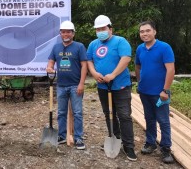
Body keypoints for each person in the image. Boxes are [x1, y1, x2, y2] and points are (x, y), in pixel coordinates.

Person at [86, 15, 137, 161]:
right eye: (98, 29)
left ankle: (129, 146)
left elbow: (125, 59)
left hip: (120, 86)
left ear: (110, 29)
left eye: (103, 28)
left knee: (124, 115)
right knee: (109, 113)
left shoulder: (120, 41)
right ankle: (115, 137)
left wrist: (113, 74)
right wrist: (94, 73)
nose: (100, 31)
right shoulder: (93, 44)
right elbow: (89, 60)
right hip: (103, 86)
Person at [135, 21, 175, 164]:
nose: (144, 34)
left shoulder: (164, 47)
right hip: (144, 91)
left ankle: (166, 148)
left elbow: (171, 70)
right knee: (149, 118)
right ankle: (150, 143)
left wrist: (165, 90)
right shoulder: (140, 48)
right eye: (142, 32)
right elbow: (138, 66)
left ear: (154, 31)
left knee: (163, 121)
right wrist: (140, 82)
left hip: (160, 93)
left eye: (147, 31)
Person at [46, 20, 88, 150]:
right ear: (60, 33)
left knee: (77, 112)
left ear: (73, 33)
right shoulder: (56, 47)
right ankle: (62, 135)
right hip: (61, 85)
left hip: (75, 85)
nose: (66, 34)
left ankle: (78, 137)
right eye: (63, 32)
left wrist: (81, 83)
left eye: (68, 32)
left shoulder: (79, 47)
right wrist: (50, 68)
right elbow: (51, 63)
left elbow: (84, 65)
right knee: (61, 112)